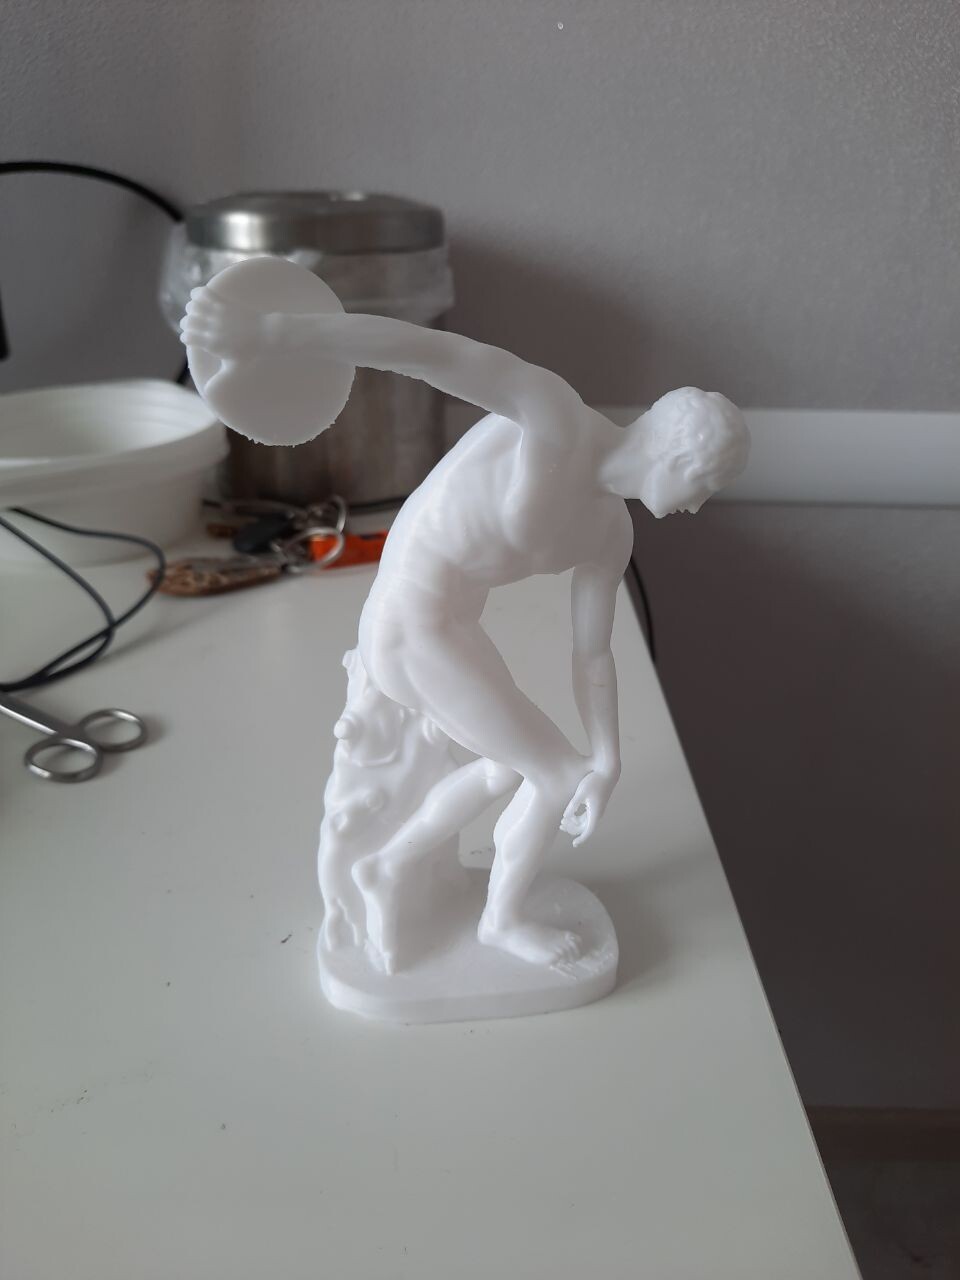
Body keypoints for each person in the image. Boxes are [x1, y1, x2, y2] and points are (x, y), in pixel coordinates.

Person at [181, 289, 749, 972]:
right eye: (705, 486)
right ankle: (498, 921)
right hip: (407, 625)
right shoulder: (555, 420)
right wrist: (276, 330)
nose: (696, 506)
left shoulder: (608, 531)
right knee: (552, 774)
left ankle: (388, 867)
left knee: (513, 766)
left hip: (451, 632)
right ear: (679, 461)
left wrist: (610, 757)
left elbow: (593, 654)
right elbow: (434, 353)